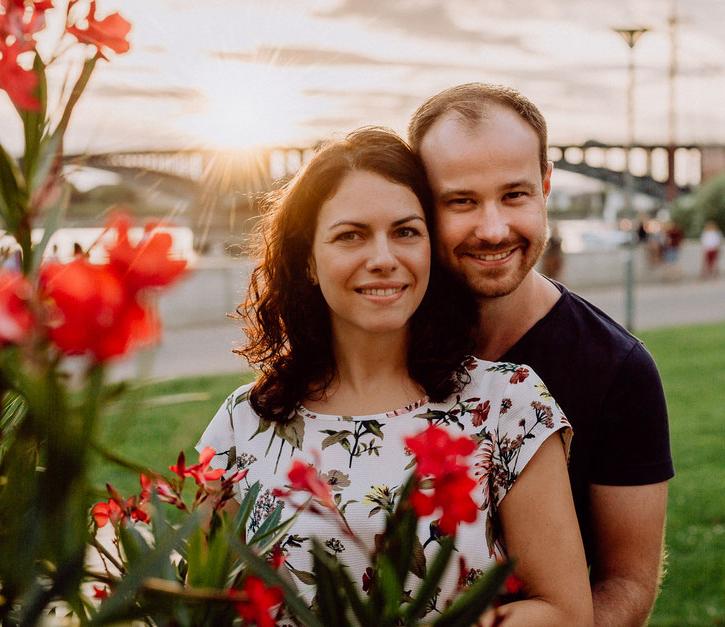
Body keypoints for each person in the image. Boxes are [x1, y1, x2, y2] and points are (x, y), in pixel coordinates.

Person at [196, 128, 592, 625]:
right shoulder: (242, 423)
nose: (383, 259)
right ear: (309, 262)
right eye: (350, 235)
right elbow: (205, 608)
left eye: (406, 232)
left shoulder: (507, 404)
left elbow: (565, 611)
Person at [409, 83, 674, 626]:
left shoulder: (619, 370)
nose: (492, 229)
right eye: (461, 201)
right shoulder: (383, 340)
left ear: (546, 186)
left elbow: (627, 582)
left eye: (515, 195)